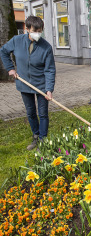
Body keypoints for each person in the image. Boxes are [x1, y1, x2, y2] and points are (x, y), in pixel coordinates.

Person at [0, 16, 56, 150]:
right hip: (24, 84)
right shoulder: (16, 41)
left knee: (43, 114)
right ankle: (36, 136)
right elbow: (3, 51)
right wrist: (10, 69)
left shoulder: (46, 47)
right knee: (30, 112)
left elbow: (50, 70)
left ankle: (43, 140)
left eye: (40, 31)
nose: (37, 33)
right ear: (27, 29)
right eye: (35, 30)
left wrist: (49, 89)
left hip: (41, 85)